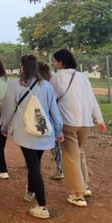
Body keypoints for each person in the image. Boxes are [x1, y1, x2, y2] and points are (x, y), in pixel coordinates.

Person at [0, 55, 63, 219]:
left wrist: (4, 126)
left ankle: (42, 206)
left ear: (22, 68)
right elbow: (54, 111)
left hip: (25, 133)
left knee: (34, 166)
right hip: (43, 133)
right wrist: (59, 131)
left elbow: (7, 108)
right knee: (34, 162)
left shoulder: (15, 84)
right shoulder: (46, 86)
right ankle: (30, 191)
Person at [50, 49, 107, 207]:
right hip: (85, 123)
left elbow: (51, 99)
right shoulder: (83, 77)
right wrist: (100, 120)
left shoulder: (57, 77)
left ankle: (78, 195)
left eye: (56, 61)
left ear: (61, 62)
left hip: (68, 122)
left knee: (70, 157)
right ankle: (85, 186)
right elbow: (92, 99)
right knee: (79, 153)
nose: (55, 64)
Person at [38, 61, 64, 180]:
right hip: (55, 116)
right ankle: (60, 168)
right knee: (55, 145)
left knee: (40, 143)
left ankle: (34, 164)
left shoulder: (41, 84)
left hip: (46, 117)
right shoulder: (51, 80)